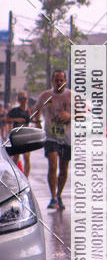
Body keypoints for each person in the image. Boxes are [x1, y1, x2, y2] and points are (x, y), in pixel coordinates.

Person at [33, 69, 72, 209]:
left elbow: (81, 115)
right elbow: (36, 110)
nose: (59, 83)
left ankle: (59, 194)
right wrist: (37, 122)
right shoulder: (45, 96)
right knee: (53, 165)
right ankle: (53, 197)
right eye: (56, 80)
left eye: (61, 80)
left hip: (67, 138)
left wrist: (70, 116)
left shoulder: (71, 96)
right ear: (52, 81)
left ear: (65, 81)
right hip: (51, 137)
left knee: (63, 168)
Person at [8, 93, 31, 176]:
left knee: (26, 157)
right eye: (21, 99)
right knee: (16, 157)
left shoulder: (29, 111)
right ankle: (15, 175)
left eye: (25, 98)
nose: (23, 100)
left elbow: (34, 121)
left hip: (26, 136)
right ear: (18, 100)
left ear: (27, 99)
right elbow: (7, 119)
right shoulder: (15, 111)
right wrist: (16, 119)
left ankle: (26, 177)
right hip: (17, 136)